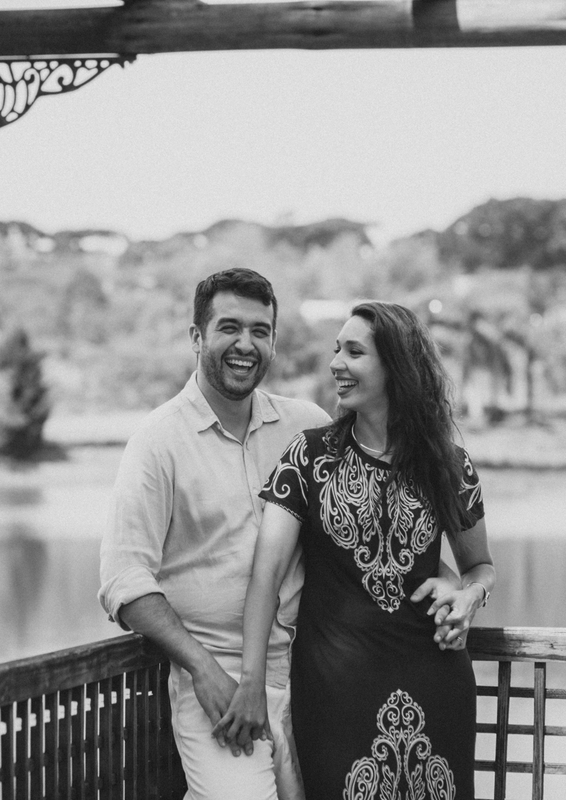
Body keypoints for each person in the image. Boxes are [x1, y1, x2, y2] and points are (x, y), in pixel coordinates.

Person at [214, 300, 496, 800]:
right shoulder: (310, 457)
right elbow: (265, 577)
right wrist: (251, 683)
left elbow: (479, 566)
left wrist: (469, 595)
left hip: (437, 680)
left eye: (354, 352)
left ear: (395, 366)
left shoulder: (449, 466)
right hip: (334, 689)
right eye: (336, 350)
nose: (336, 364)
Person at [98, 267, 333, 800]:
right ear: (197, 336)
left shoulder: (308, 427)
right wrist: (201, 669)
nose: (245, 345)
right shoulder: (158, 442)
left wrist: (462, 577)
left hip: (314, 672)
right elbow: (122, 579)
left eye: (260, 331)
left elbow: (369, 512)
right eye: (229, 328)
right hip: (220, 682)